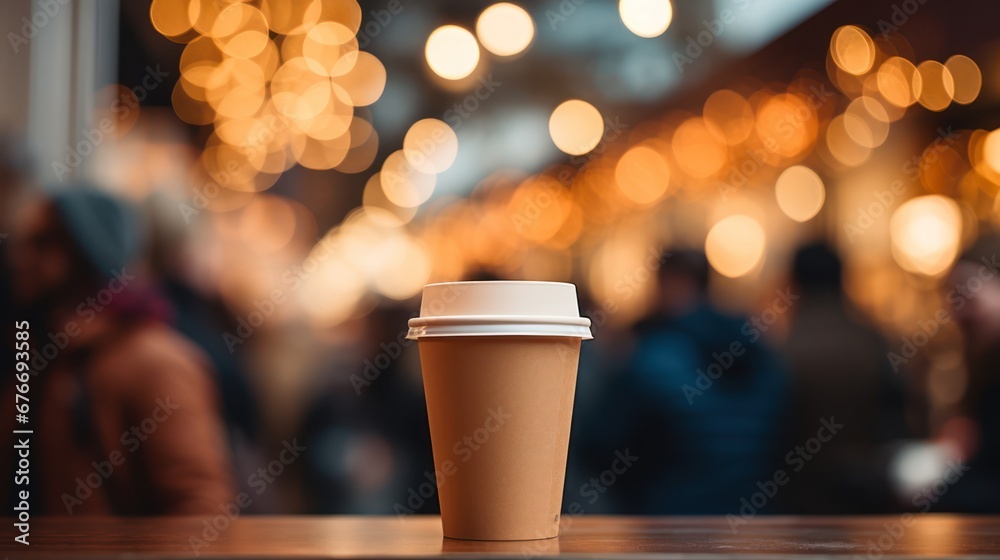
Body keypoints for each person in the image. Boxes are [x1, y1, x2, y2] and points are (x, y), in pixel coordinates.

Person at [1, 184, 235, 514]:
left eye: (44, 243)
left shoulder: (155, 364)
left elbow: (199, 510)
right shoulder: (44, 356)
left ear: (88, 250)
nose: (21, 259)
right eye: (21, 243)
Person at [600, 249, 789, 514]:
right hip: (751, 520)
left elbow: (606, 443)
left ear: (667, 283)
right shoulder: (761, 351)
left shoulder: (653, 355)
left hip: (670, 523)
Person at [778, 242, 907, 513]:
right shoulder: (875, 342)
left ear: (793, 286)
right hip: (869, 506)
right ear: (844, 279)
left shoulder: (783, 351)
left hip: (800, 506)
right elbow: (902, 425)